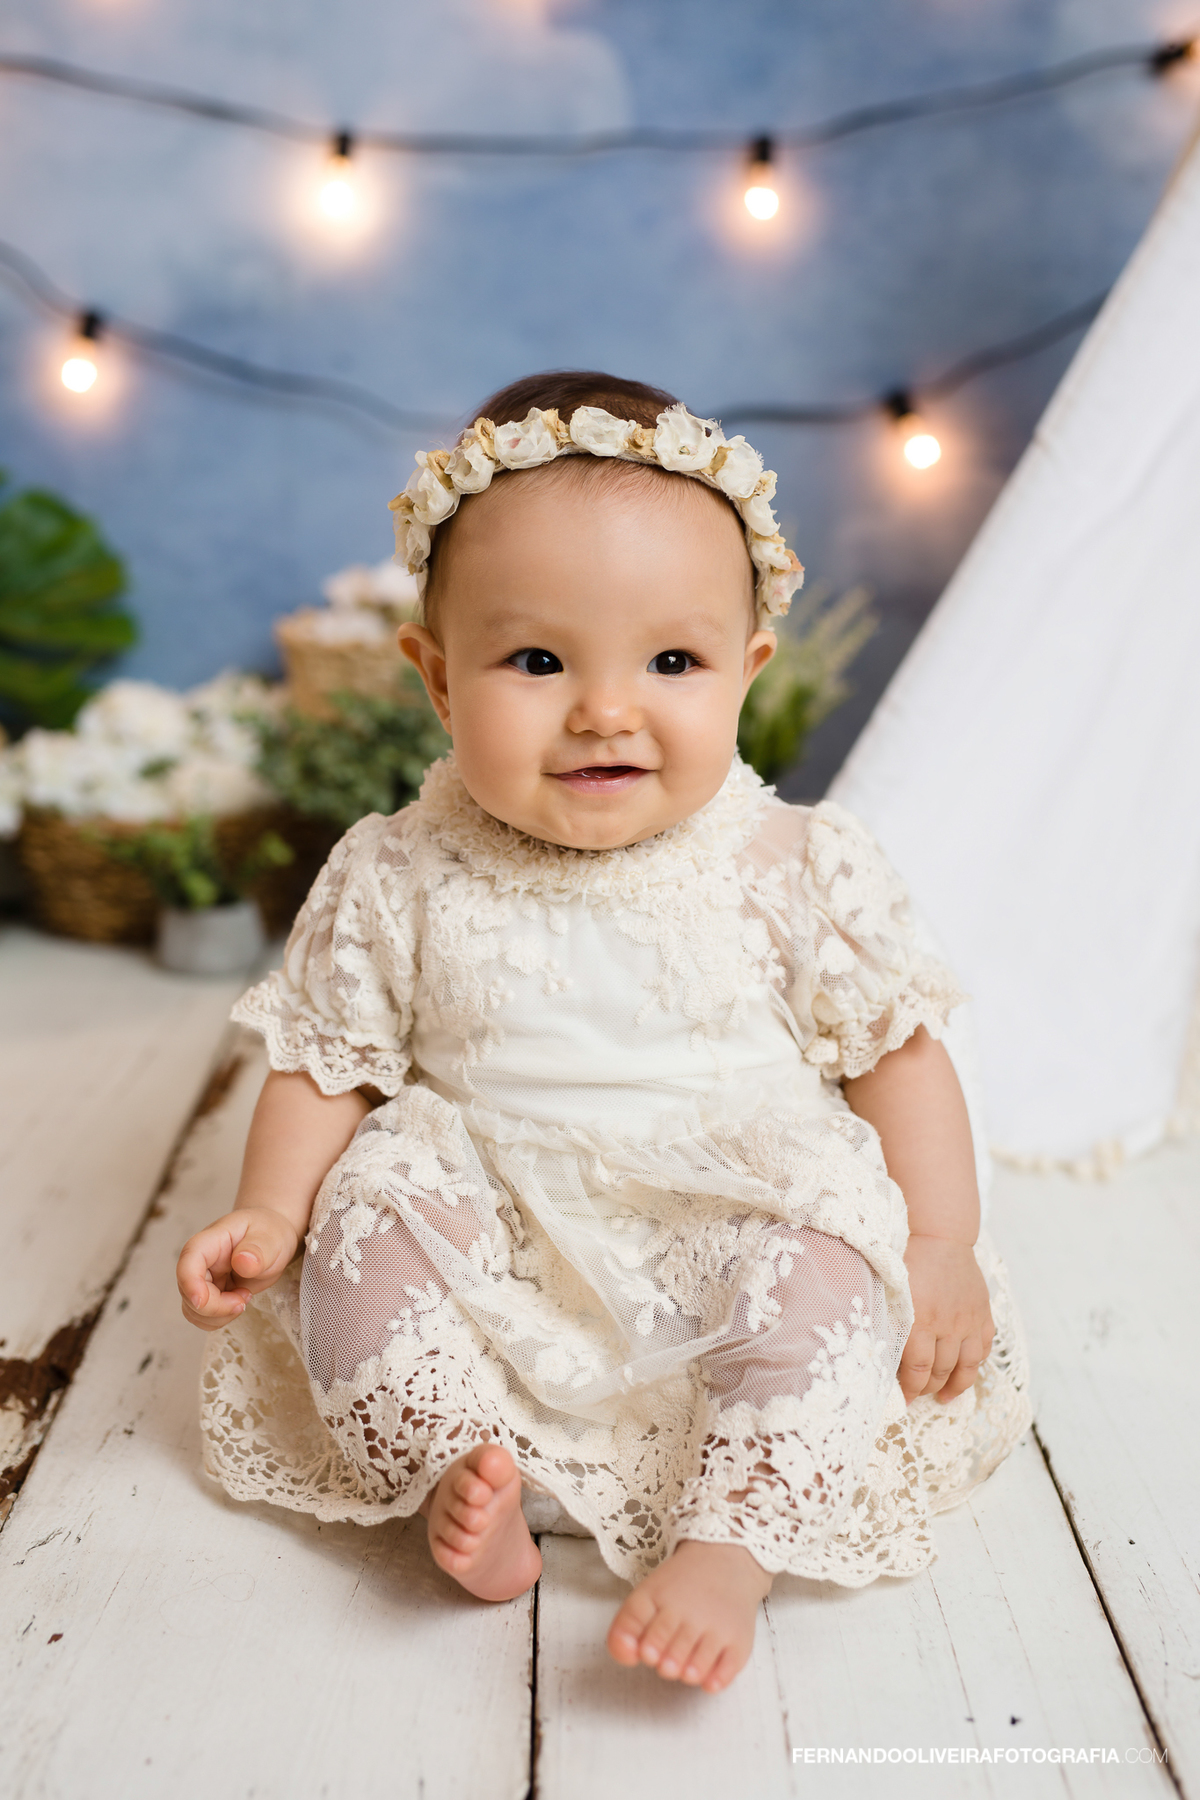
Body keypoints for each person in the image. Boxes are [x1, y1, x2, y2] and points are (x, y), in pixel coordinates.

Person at [179, 372, 1030, 1696]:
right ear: (435, 676)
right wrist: (270, 1213)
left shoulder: (794, 863)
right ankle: (458, 1471)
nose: (604, 709)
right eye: (536, 660)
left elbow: (897, 1056)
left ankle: (732, 1541)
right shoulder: (399, 869)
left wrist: (941, 1242)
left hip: (724, 1202)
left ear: (748, 671)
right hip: (491, 1205)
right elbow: (323, 1063)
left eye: (671, 661)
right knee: (360, 1226)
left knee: (824, 1273)